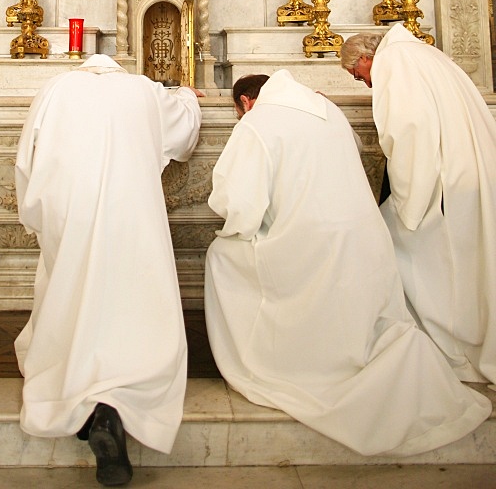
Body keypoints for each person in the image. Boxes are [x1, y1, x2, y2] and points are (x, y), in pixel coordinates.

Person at [204, 70, 491, 456]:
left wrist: (240, 227)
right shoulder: (326, 108)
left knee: (222, 256)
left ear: (244, 102)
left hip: (311, 247)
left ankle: (281, 361)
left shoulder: (258, 121)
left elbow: (237, 202)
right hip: (366, 239)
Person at [14, 54, 202, 486]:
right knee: (130, 294)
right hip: (129, 211)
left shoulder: (55, 89)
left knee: (72, 292)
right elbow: (183, 133)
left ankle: (82, 400)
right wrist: (188, 97)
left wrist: (38, 217)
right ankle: (111, 404)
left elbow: (26, 161)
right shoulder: (142, 89)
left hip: (70, 211)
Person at [341, 24, 496, 383]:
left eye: (357, 73)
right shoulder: (424, 55)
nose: (363, 83)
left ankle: (445, 345)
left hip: (445, 180)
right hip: (467, 172)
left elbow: (410, 131)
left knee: (397, 245)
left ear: (365, 57)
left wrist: (408, 203)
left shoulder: (395, 61)